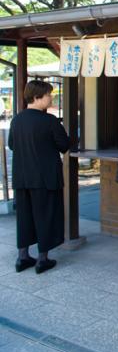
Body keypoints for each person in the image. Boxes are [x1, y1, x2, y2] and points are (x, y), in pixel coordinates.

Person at [9, 80, 70, 274]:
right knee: (46, 215)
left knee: (24, 217)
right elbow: (64, 145)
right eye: (48, 95)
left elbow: (12, 145)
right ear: (37, 97)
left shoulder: (16, 120)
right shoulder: (49, 121)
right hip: (45, 178)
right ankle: (42, 259)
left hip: (22, 177)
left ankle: (23, 257)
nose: (51, 98)